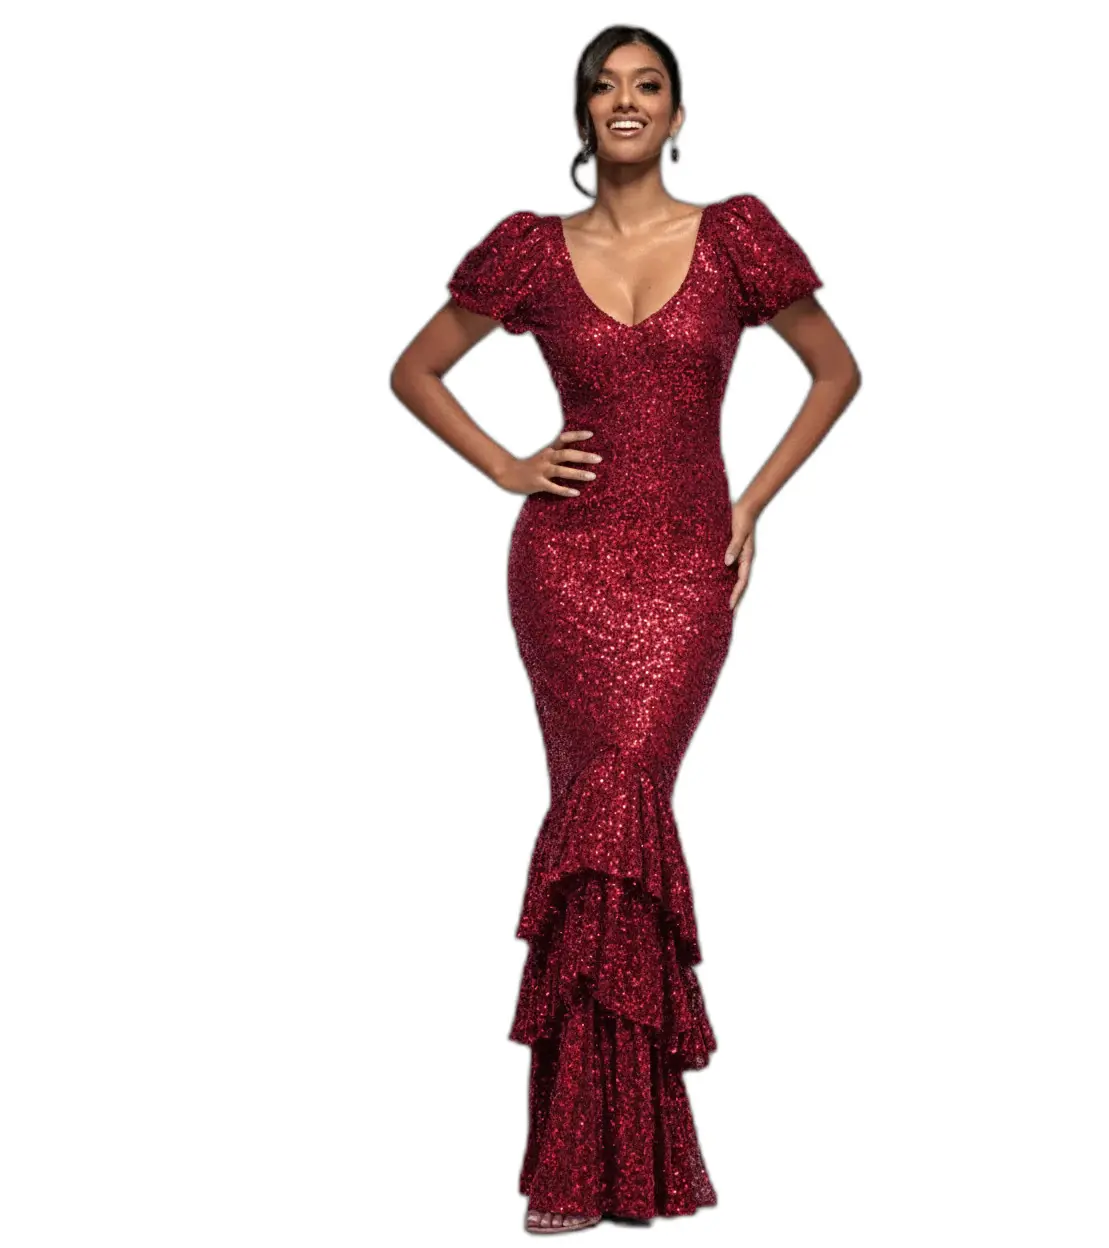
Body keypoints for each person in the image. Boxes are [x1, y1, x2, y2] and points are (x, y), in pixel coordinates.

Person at [389, 24, 861, 1236]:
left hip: (686, 573)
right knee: (595, 827)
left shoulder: (738, 236)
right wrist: (508, 465)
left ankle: (607, 1158)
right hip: (563, 571)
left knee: (622, 805)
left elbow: (837, 371)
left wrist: (751, 503)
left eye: (648, 85)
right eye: (605, 87)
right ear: (583, 115)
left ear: (679, 113)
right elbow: (413, 370)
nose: (626, 101)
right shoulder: (530, 250)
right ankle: (593, 1163)